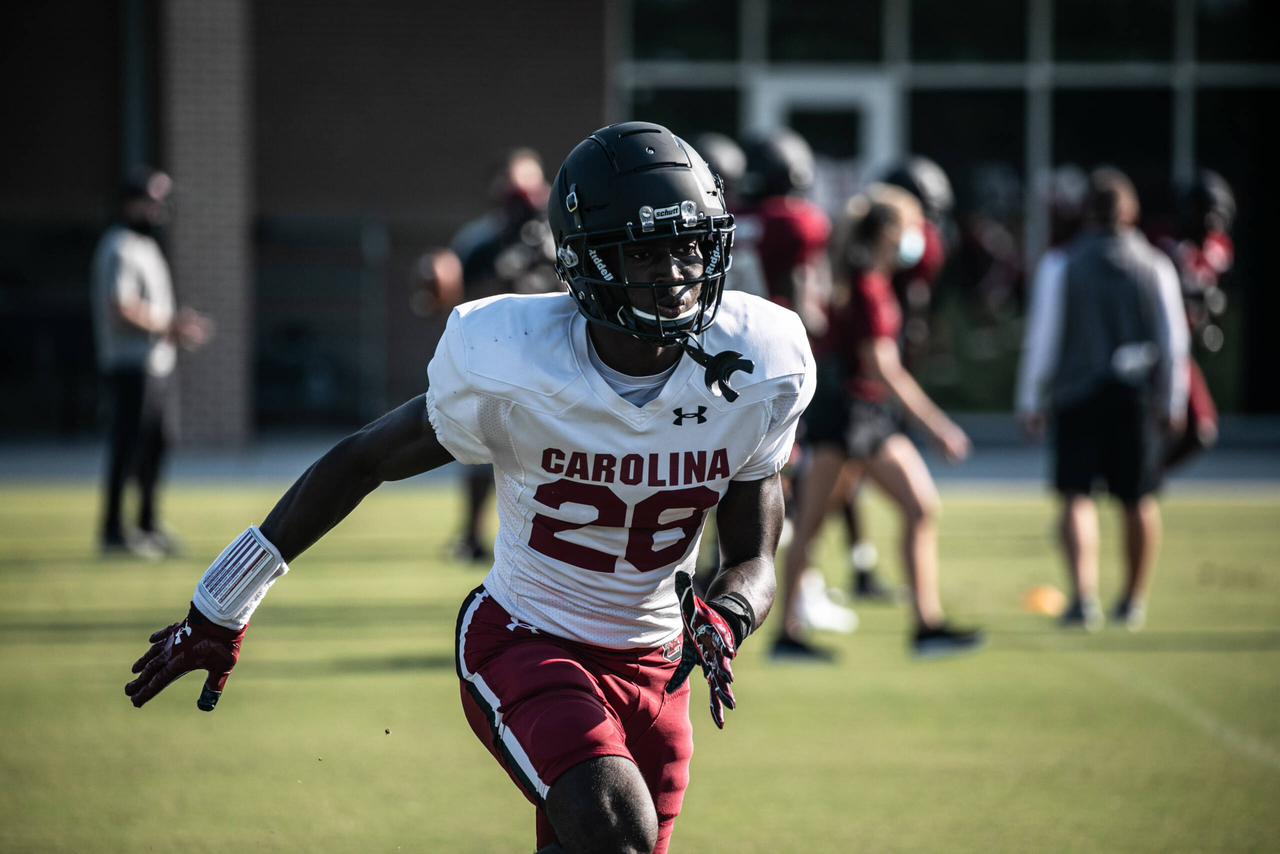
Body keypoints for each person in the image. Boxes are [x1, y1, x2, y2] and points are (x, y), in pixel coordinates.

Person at [125, 123, 814, 854]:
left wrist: (729, 614)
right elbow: (363, 460)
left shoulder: (757, 364)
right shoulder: (514, 361)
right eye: (644, 250)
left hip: (659, 664)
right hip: (527, 640)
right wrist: (222, 602)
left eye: (688, 245)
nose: (675, 274)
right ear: (584, 261)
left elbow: (756, 551)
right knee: (618, 835)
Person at [774, 186, 981, 660]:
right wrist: (937, 426)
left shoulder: (875, 282)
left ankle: (927, 625)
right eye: (912, 228)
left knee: (919, 507)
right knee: (809, 527)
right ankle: (786, 634)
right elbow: (881, 367)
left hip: (868, 418)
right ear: (891, 233)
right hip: (847, 417)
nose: (921, 239)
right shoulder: (866, 286)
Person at [1017, 168, 1189, 632]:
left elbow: (1044, 339)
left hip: (1077, 392)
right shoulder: (1153, 264)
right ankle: (1132, 600)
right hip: (1132, 396)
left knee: (1077, 495)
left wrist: (1031, 399)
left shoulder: (1062, 263)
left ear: (1085, 212)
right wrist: (1173, 400)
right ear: (1130, 212)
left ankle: (1083, 598)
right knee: (1138, 498)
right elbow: (1174, 340)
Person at [444, 148, 563, 562]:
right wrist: (505, 270)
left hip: (555, 362)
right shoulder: (479, 242)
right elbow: (457, 304)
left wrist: (545, 259)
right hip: (498, 361)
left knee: (557, 456)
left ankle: (550, 542)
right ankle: (472, 535)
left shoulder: (561, 234)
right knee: (481, 450)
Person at [91, 167, 211, 557]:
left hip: (157, 364)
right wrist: (169, 325)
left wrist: (174, 328)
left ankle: (146, 524)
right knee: (127, 446)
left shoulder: (147, 247)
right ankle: (113, 531)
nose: (160, 208)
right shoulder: (119, 246)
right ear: (131, 203)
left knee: (158, 444)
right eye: (153, 200)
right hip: (131, 365)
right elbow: (120, 307)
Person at [1156, 169, 1236, 472]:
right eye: (1206, 214)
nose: (1210, 223)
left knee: (1200, 431)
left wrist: (1207, 322)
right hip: (1151, 347)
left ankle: (1148, 480)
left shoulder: (1219, 248)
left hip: (1181, 352)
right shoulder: (1164, 243)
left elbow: (1214, 300)